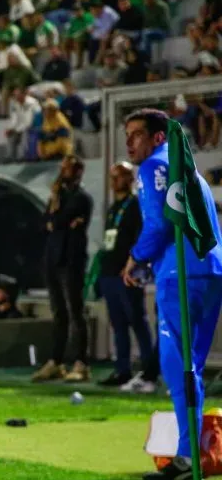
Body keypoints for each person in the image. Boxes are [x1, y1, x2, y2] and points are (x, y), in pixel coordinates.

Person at [121, 109, 222, 480]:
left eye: (136, 134)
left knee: (175, 364)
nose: (130, 142)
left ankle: (187, 456)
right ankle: (191, 451)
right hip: (209, 270)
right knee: (189, 366)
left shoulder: (151, 168)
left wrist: (135, 258)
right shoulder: (185, 167)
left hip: (182, 274)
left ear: (158, 138)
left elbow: (160, 222)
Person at [33, 155, 93, 383]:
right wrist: (57, 220)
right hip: (53, 258)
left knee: (76, 311)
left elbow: (57, 221)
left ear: (77, 172)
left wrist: (57, 220)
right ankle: (56, 362)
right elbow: (45, 223)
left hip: (72, 260)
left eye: (67, 168)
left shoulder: (82, 198)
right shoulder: (57, 197)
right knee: (59, 313)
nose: (63, 171)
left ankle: (81, 363)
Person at [97, 161, 157, 391]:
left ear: (130, 178)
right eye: (112, 177)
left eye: (118, 176)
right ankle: (122, 370)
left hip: (128, 273)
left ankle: (147, 370)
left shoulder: (135, 205)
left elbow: (139, 237)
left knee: (137, 321)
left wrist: (134, 265)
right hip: (110, 272)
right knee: (118, 323)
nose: (114, 182)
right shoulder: (114, 207)